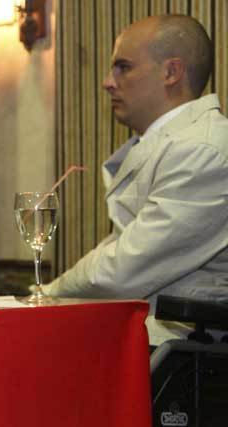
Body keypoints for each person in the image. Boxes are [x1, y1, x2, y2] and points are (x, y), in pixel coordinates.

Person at [42, 15, 228, 319]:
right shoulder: (175, 142)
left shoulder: (202, 150)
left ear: (171, 72)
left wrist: (47, 294)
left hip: (180, 347)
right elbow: (122, 247)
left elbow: (126, 268)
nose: (107, 82)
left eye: (123, 68)